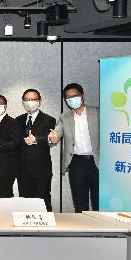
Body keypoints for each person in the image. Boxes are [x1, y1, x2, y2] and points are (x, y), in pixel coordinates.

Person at [49, 83, 100, 212]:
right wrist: (52, 138)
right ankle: (83, 230)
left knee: (99, 200)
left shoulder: (97, 112)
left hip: (98, 162)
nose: (72, 99)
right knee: (79, 202)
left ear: (83, 96)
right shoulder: (64, 117)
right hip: (76, 163)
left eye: (75, 96)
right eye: (68, 97)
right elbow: (56, 134)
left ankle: (100, 230)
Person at [15, 88, 56, 212]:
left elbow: (51, 140)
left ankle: (45, 230)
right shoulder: (18, 120)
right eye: (27, 100)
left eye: (33, 99)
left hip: (41, 170)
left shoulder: (49, 120)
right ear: (23, 102)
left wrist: (36, 140)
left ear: (40, 101)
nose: (30, 102)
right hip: (22, 170)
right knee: (25, 203)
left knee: (43, 202)